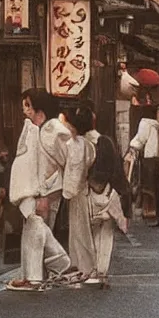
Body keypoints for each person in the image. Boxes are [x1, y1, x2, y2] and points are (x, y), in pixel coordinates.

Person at [5, 89, 72, 291]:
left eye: (28, 105)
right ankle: (34, 273)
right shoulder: (37, 129)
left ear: (40, 112)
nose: (25, 110)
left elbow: (45, 164)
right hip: (34, 188)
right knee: (33, 229)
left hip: (41, 188)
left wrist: (43, 194)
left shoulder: (49, 130)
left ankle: (39, 274)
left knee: (35, 228)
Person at [63, 106, 98, 278]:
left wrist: (69, 190)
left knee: (79, 229)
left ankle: (82, 265)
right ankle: (82, 264)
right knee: (80, 228)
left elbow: (73, 170)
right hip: (83, 190)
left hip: (76, 191)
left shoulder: (74, 145)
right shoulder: (88, 145)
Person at [126, 101, 159, 225]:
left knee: (149, 187)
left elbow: (140, 139)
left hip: (149, 158)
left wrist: (131, 147)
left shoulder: (145, 123)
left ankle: (151, 213)